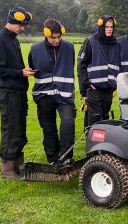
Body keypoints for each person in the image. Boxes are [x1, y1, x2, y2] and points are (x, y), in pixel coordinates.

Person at [0, 6, 34, 179]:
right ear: (12, 22)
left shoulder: (13, 39)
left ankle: (18, 165)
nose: (23, 28)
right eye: (21, 25)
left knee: (20, 129)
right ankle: (8, 170)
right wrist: (19, 73)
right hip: (8, 94)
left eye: (24, 25)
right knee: (10, 129)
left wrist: (24, 70)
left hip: (18, 92)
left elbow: (13, 65)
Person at [28, 19, 76, 165]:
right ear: (46, 35)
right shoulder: (35, 49)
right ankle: (53, 160)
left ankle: (66, 157)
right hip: (43, 95)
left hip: (64, 94)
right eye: (53, 37)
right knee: (49, 128)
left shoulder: (69, 47)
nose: (56, 40)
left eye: (58, 37)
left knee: (68, 122)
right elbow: (32, 66)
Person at [78, 15, 120, 126]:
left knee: (105, 116)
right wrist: (86, 83)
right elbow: (81, 65)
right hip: (94, 88)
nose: (109, 29)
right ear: (101, 27)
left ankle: (103, 140)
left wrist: (115, 84)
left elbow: (118, 65)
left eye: (111, 27)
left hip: (109, 89)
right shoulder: (90, 41)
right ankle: (91, 141)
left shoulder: (116, 44)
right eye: (107, 27)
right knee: (94, 117)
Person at [77, 23, 99, 131]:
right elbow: (80, 68)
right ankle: (87, 132)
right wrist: (83, 90)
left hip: (98, 87)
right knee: (89, 110)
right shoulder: (88, 45)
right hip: (88, 86)